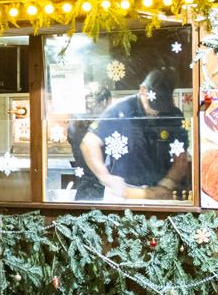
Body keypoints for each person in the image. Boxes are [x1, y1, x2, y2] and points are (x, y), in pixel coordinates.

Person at [79, 68, 191, 201]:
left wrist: (167, 183)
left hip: (160, 193)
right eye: (153, 105)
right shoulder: (120, 110)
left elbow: (181, 158)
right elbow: (89, 143)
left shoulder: (173, 114)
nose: (156, 112)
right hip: (122, 193)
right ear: (143, 90)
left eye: (161, 106)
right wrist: (106, 177)